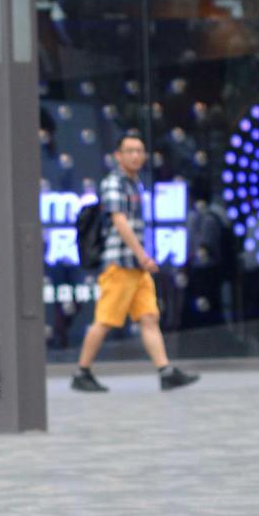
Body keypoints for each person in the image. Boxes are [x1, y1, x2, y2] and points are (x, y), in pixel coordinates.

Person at [71, 133, 201, 393]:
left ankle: (165, 371)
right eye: (129, 151)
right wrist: (143, 255)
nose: (136, 155)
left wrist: (141, 259)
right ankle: (81, 372)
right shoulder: (113, 183)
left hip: (136, 266)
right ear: (118, 156)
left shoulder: (134, 184)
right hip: (120, 264)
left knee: (149, 317)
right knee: (105, 320)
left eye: (139, 151)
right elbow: (119, 222)